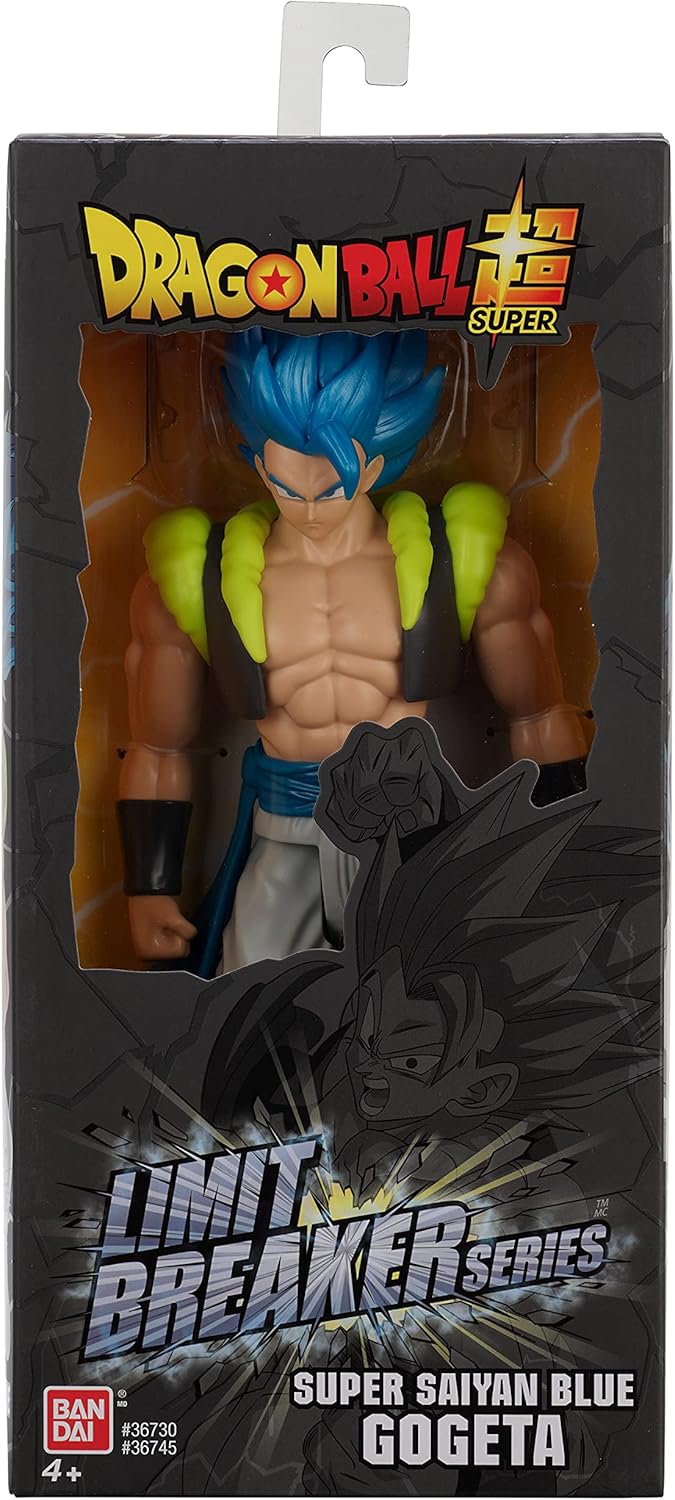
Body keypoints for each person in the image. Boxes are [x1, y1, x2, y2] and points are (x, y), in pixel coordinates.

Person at [117, 330, 587, 976]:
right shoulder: (195, 580)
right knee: (248, 1010)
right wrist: (148, 886)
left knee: (438, 1010)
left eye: (331, 486)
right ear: (260, 466)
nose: (309, 510)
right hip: (285, 831)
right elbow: (156, 747)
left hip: (411, 833)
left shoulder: (467, 562)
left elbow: (539, 714)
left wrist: (561, 855)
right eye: (287, 487)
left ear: (374, 466)